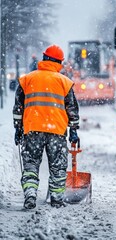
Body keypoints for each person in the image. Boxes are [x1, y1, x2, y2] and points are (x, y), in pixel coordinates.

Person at [13, 44, 80, 209]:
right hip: (56, 131)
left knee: (30, 163)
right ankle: (57, 199)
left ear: (44, 59)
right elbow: (72, 109)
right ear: (58, 62)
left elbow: (18, 108)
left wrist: (18, 128)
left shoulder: (27, 79)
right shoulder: (64, 82)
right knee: (57, 165)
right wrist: (73, 131)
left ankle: (30, 194)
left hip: (32, 129)